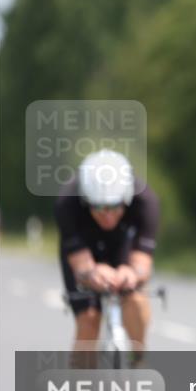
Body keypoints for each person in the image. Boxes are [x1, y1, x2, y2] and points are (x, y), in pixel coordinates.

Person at [55, 149, 159, 367]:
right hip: (84, 248)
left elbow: (142, 263)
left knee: (136, 299)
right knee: (89, 320)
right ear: (85, 200)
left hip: (122, 245)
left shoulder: (146, 202)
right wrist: (91, 273)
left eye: (114, 207)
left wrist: (131, 274)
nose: (107, 215)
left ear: (127, 198)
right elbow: (80, 263)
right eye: (98, 207)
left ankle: (138, 359)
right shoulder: (67, 202)